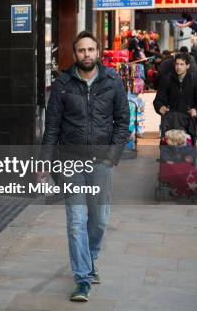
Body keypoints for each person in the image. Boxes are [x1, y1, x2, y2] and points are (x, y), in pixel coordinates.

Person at [41, 31, 130, 302]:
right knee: (77, 221)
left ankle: (90, 259)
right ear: (75, 53)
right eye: (81, 50)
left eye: (91, 50)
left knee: (100, 220)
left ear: (98, 51)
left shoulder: (113, 81)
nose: (87, 55)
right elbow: (52, 125)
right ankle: (82, 278)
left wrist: (111, 156)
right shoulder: (62, 84)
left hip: (100, 162)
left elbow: (122, 122)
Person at [154, 53, 197, 141]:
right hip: (170, 123)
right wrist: (160, 108)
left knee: (188, 152)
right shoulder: (166, 79)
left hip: (189, 124)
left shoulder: (196, 80)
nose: (178, 67)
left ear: (188, 66)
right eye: (177, 64)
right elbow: (158, 100)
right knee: (168, 152)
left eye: (182, 64)